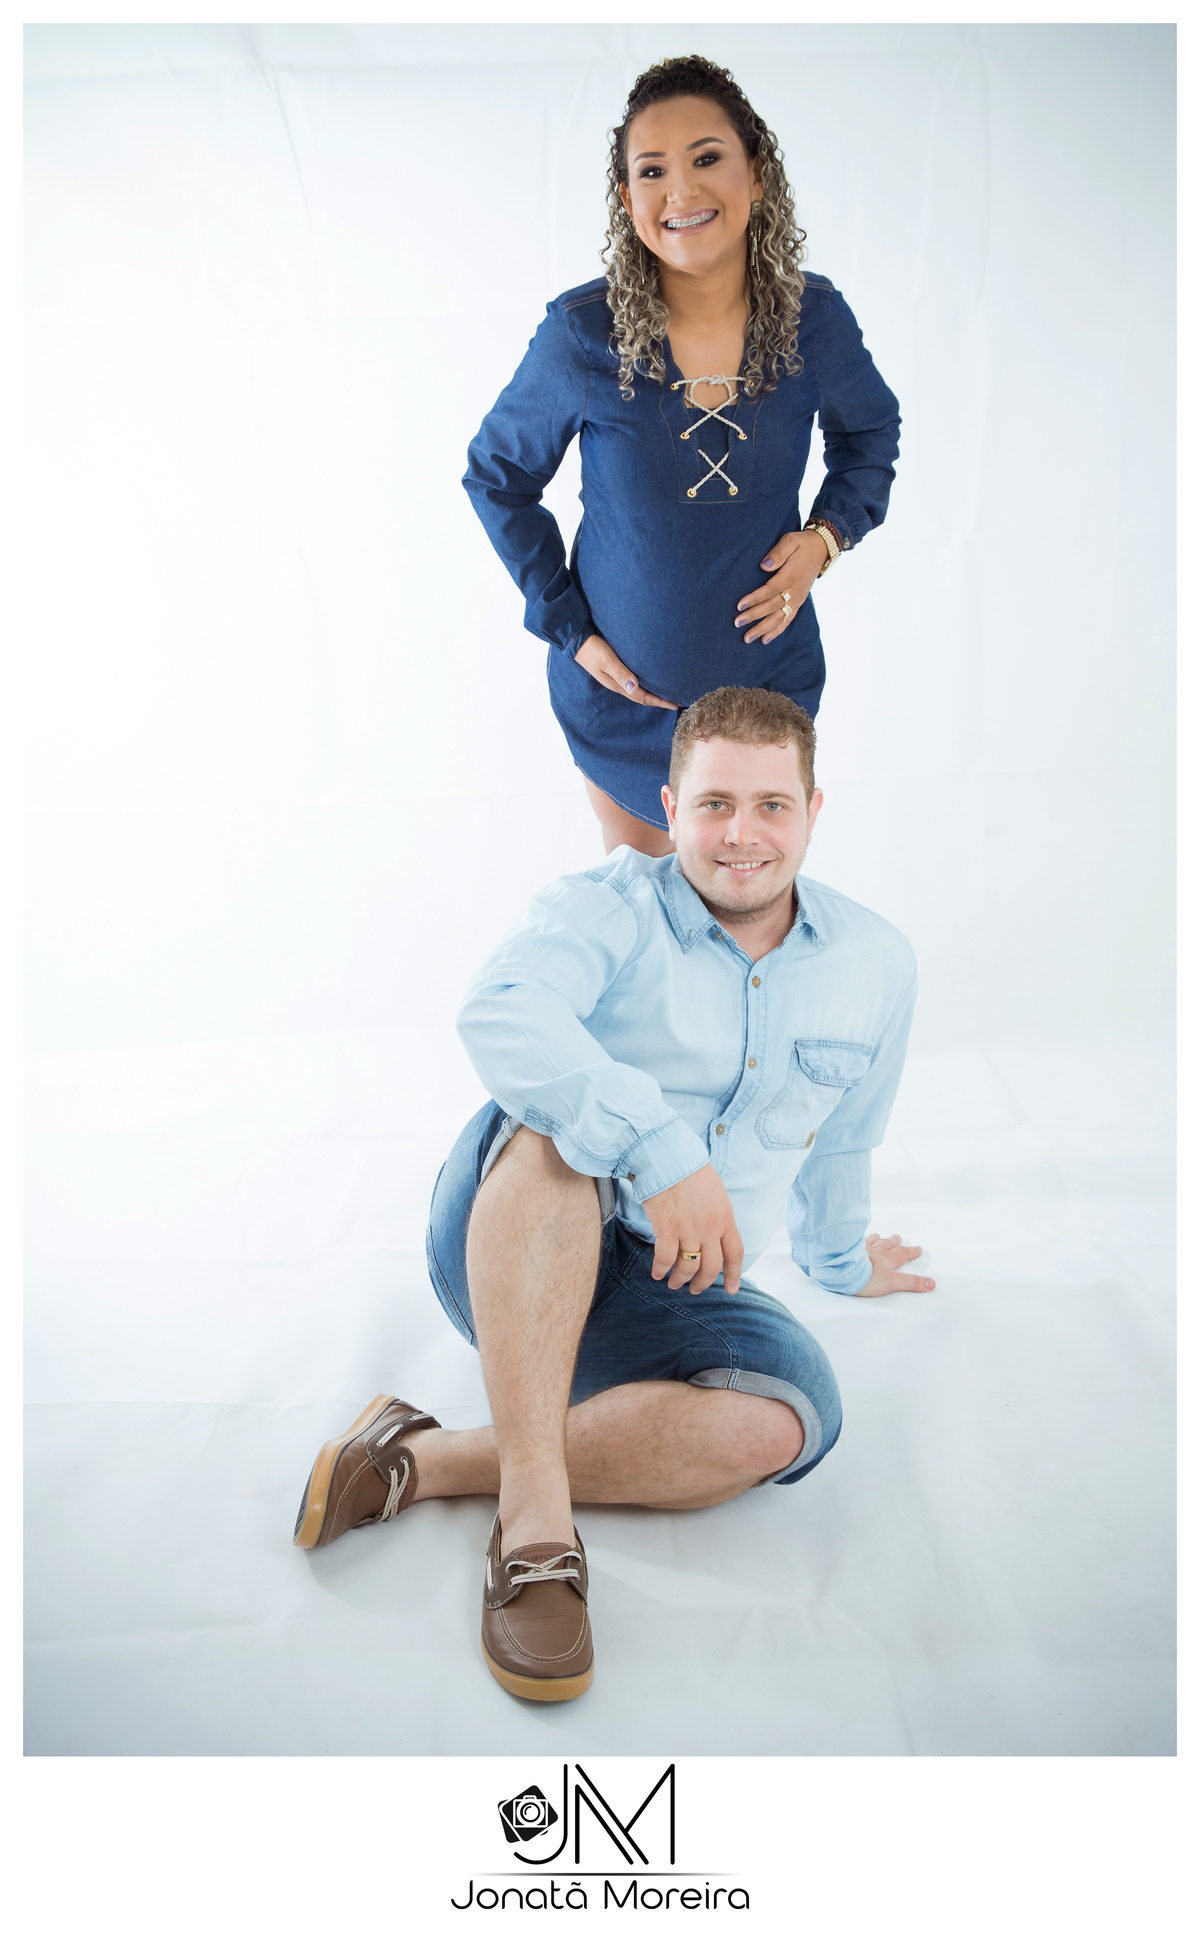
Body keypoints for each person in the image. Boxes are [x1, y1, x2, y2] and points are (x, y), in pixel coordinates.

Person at [292, 687, 932, 1701]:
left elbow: (847, 1136)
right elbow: (501, 1009)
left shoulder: (877, 962)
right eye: (714, 803)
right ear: (670, 807)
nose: (742, 834)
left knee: (790, 1420)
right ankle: (534, 1523)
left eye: (772, 804)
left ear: (814, 811)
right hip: (517, 1238)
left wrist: (844, 1262)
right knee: (558, 1137)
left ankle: (429, 1459)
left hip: (672, 1294)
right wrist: (661, 1150)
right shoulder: (607, 905)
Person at [463, 54, 901, 857]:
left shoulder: (814, 321)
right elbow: (498, 476)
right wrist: (568, 628)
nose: (681, 190)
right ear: (627, 198)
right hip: (626, 709)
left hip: (766, 697)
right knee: (643, 912)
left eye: (706, 158)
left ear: (756, 175)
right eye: (652, 170)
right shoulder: (582, 336)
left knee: (747, 896)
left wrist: (826, 538)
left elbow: (870, 434)